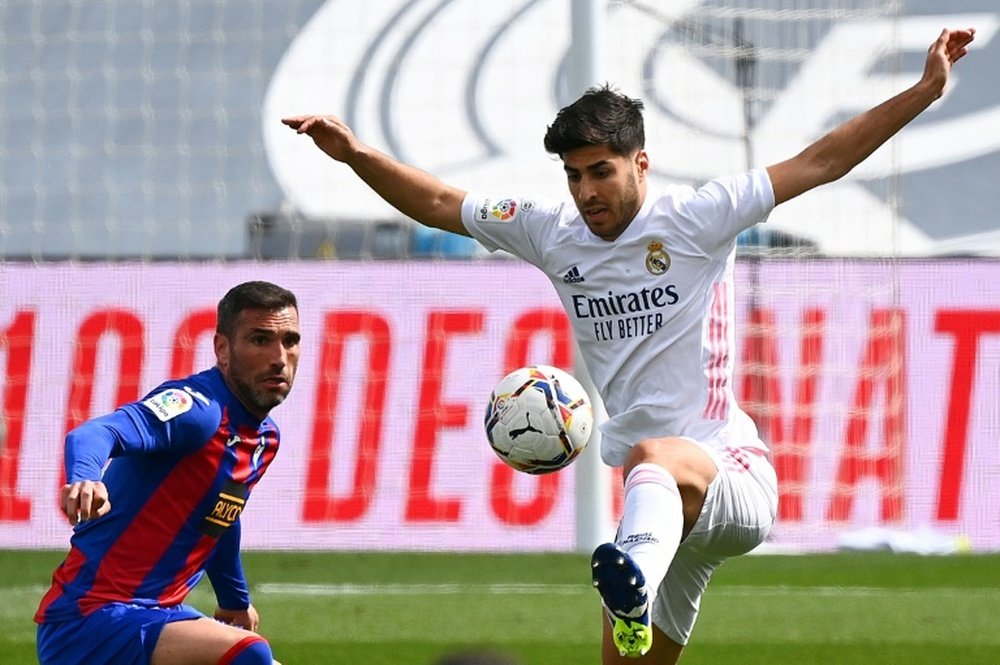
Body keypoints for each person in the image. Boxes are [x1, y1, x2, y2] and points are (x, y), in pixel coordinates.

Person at [283, 27, 975, 664]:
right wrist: (357, 156)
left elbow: (823, 160)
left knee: (653, 455)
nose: (586, 191)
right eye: (575, 175)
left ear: (640, 163)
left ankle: (631, 582)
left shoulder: (701, 217)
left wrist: (923, 89)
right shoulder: (550, 231)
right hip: (656, 518)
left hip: (726, 474)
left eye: (601, 172)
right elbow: (440, 203)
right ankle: (637, 583)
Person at [34, 281, 301, 665]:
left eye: (290, 340)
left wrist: (234, 601)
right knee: (250, 655)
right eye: (260, 340)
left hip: (158, 616)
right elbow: (97, 432)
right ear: (222, 349)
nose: (279, 357)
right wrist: (85, 477)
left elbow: (218, 516)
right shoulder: (198, 410)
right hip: (92, 619)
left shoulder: (264, 438)